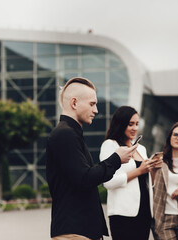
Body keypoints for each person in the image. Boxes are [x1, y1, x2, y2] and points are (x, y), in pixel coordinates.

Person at [46, 77, 138, 240]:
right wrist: (116, 158)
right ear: (74, 103)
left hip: (79, 230)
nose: (96, 110)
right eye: (92, 104)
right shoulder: (65, 134)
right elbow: (84, 178)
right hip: (74, 231)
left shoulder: (70, 133)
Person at [99, 106, 162, 240]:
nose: (134, 128)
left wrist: (154, 169)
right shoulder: (110, 145)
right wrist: (139, 171)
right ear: (121, 124)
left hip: (144, 211)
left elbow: (147, 183)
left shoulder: (141, 149)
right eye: (130, 124)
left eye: (137, 124)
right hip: (123, 213)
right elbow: (108, 182)